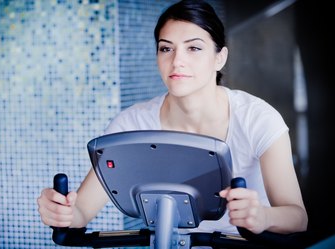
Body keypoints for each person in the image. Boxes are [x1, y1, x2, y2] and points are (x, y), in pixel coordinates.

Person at [37, 0, 308, 237]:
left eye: (194, 48)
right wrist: (63, 214)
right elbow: (82, 210)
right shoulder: (132, 126)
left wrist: (262, 216)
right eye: (166, 48)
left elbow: (298, 218)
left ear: (220, 58)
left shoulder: (257, 118)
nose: (177, 61)